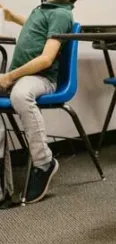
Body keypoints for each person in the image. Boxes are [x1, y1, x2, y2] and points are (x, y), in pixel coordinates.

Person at [0, 0, 76, 204]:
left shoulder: (61, 14)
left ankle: (44, 162)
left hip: (42, 78)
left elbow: (46, 60)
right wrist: (13, 17)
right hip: (21, 77)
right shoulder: (44, 10)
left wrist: (9, 77)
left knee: (20, 95)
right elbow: (37, 27)